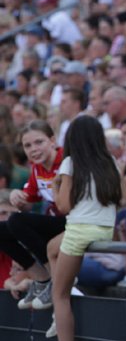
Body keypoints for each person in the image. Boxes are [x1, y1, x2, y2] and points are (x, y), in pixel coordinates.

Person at [52, 116, 122, 341]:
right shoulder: (111, 161)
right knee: (51, 248)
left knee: (59, 296)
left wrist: (55, 187)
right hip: (104, 230)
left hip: (79, 231)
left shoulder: (70, 162)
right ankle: (63, 279)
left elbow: (63, 206)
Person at [0, 121, 65, 310]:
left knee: (17, 220)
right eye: (27, 145)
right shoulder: (37, 167)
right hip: (57, 221)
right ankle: (42, 279)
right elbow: (28, 198)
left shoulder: (66, 162)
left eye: (39, 142)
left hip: (75, 221)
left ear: (52, 141)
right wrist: (16, 195)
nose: (33, 149)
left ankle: (55, 277)